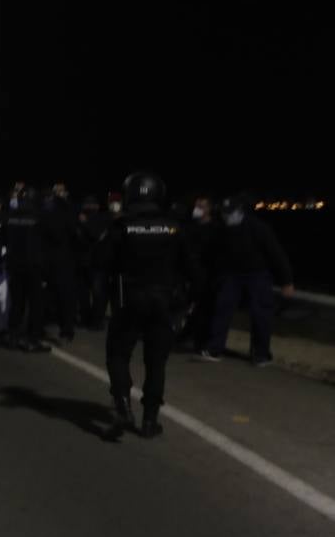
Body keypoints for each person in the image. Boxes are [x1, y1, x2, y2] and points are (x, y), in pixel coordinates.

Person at [101, 173, 202, 437]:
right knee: (156, 363)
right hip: (164, 301)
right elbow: (193, 268)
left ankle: (123, 407)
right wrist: (188, 300)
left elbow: (99, 262)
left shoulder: (121, 226)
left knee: (118, 355)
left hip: (129, 301)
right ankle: (149, 420)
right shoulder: (175, 226)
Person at [199, 196, 295, 366]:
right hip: (231, 275)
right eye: (224, 213)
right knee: (222, 309)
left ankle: (261, 354)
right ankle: (214, 349)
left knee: (260, 315)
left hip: (257, 275)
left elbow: (276, 254)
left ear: (240, 212)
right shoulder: (222, 229)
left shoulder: (258, 228)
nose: (226, 217)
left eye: (230, 213)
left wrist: (286, 281)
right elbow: (216, 254)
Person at [0, 187, 49, 352]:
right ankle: (32, 340)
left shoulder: (11, 217)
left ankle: (12, 336)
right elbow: (48, 242)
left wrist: (5, 254)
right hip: (33, 266)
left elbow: (0, 237)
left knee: (17, 302)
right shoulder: (40, 217)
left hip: (15, 265)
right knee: (36, 304)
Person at [41, 187, 80, 343]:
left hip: (57, 261)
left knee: (58, 297)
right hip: (62, 261)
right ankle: (65, 330)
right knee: (61, 298)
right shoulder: (66, 214)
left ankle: (63, 330)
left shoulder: (48, 215)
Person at [180, 196, 219, 352]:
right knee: (188, 307)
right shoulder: (190, 227)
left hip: (206, 274)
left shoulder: (215, 228)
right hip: (190, 273)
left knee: (203, 308)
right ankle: (187, 335)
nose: (197, 209)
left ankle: (200, 340)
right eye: (196, 206)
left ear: (209, 209)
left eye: (201, 206)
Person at [75, 196, 110, 330]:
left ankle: (96, 321)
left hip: (97, 262)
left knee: (98, 294)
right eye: (87, 205)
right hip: (83, 261)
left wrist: (85, 223)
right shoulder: (80, 218)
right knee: (83, 294)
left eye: (92, 205)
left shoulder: (103, 218)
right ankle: (86, 319)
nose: (89, 207)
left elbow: (96, 234)